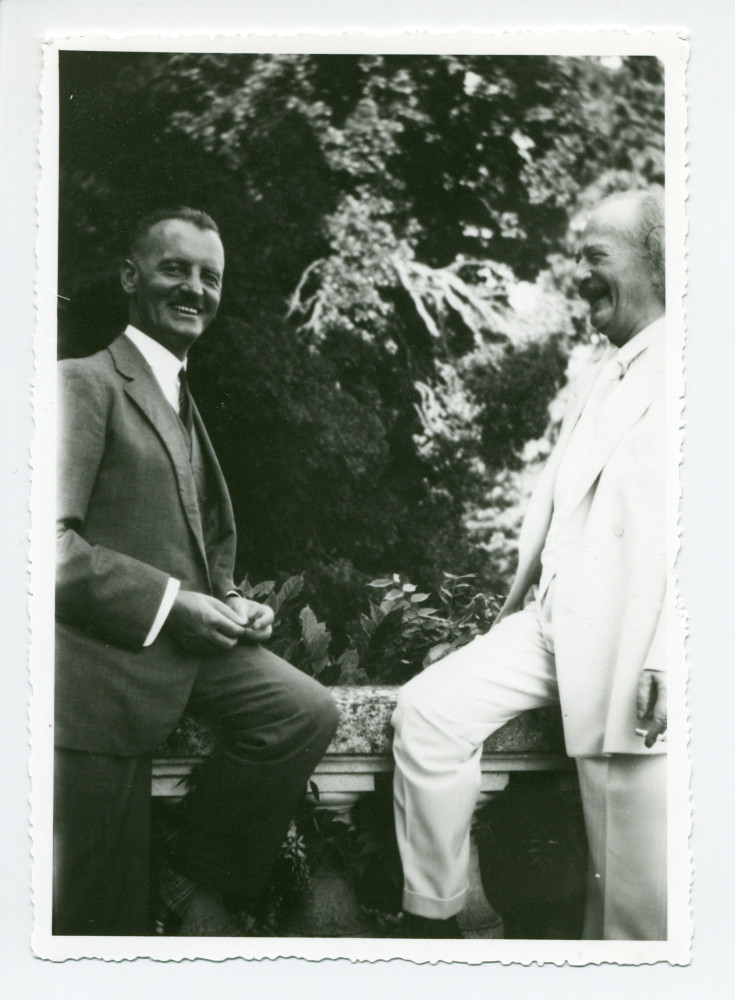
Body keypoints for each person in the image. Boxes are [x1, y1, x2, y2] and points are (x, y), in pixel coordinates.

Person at [392, 189, 670, 941]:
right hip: (547, 627)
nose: (577, 272)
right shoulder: (599, 375)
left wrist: (669, 654)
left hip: (629, 647)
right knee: (425, 713)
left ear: (657, 261)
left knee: (632, 908)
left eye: (594, 256)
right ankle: (434, 917)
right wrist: (496, 628)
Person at [54, 206, 340, 936]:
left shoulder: (181, 396)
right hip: (98, 668)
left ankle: (189, 872)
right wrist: (172, 603)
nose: (194, 288)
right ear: (130, 276)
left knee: (303, 711)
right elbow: (41, 548)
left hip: (187, 650)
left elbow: (202, 546)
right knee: (97, 924)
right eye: (174, 268)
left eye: (209, 276)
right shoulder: (81, 384)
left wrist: (235, 601)